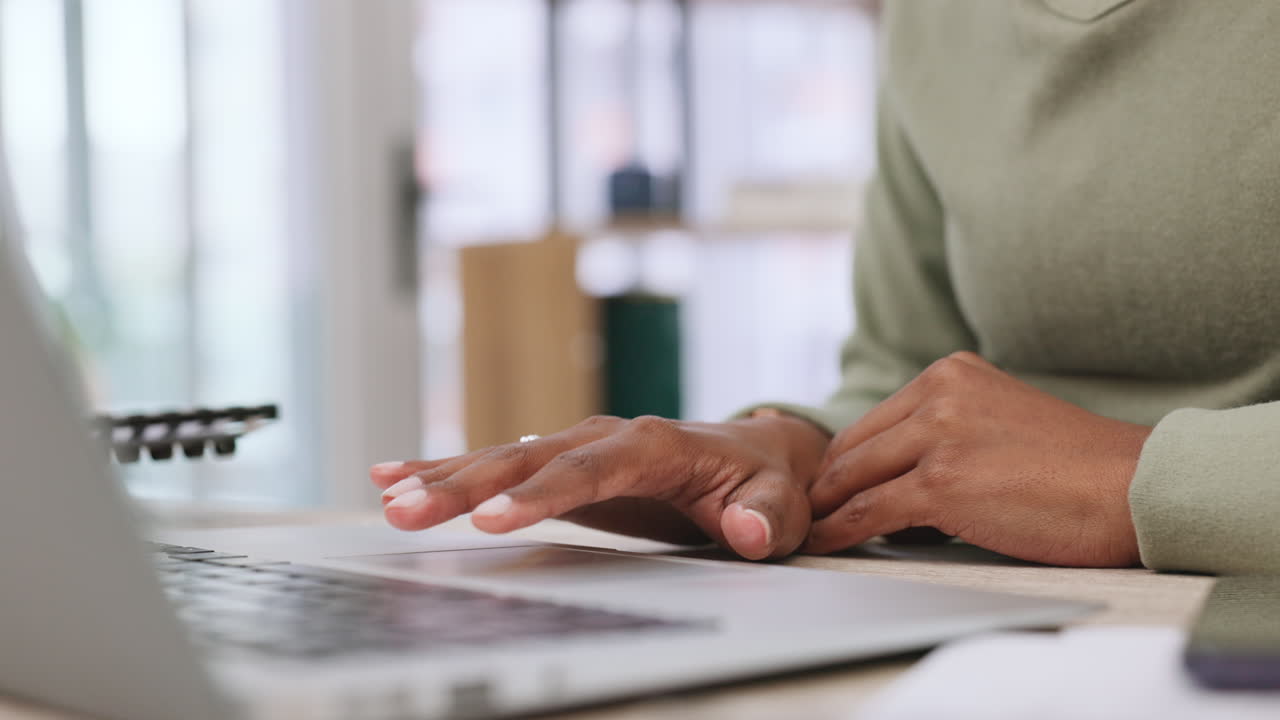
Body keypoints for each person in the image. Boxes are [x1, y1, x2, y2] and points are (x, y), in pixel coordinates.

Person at [372, 1, 1280, 574]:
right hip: (1002, 608)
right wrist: (793, 452)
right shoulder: (932, 22)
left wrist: (1138, 481)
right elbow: (905, 372)